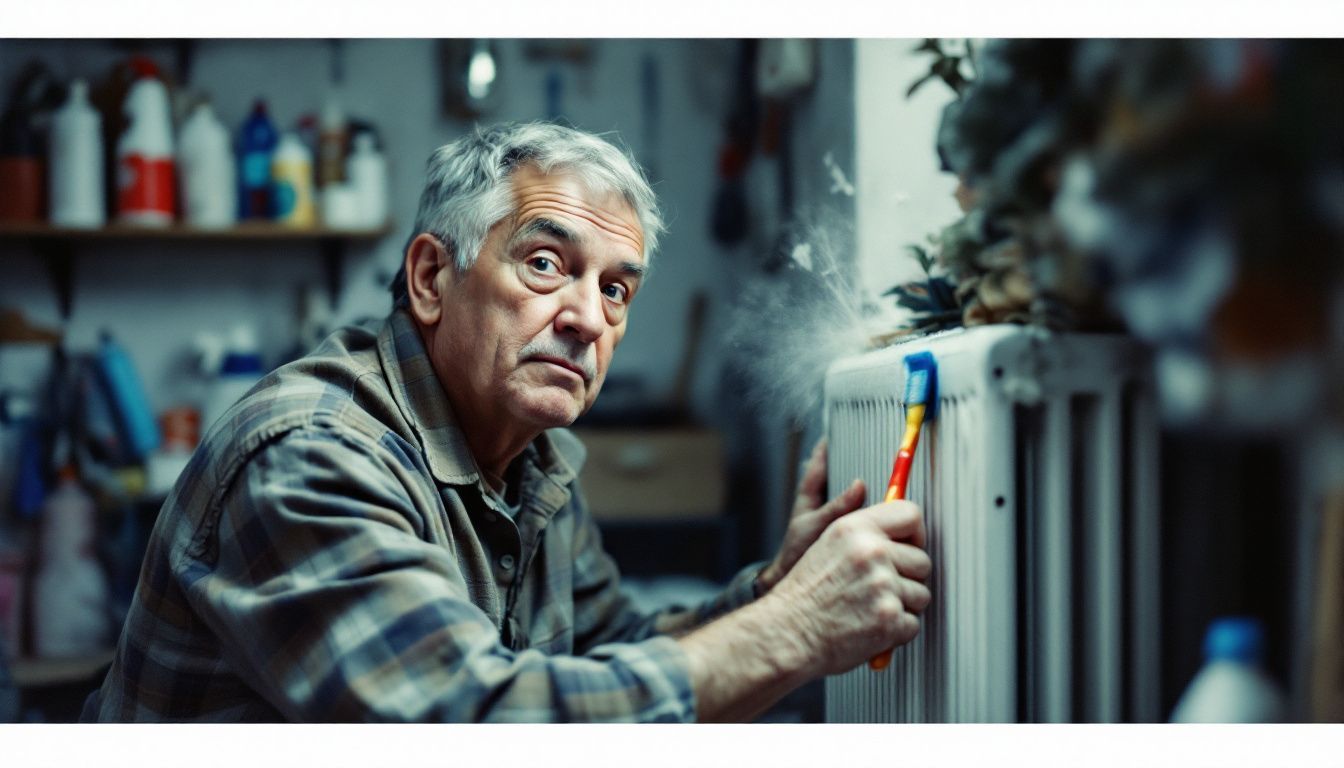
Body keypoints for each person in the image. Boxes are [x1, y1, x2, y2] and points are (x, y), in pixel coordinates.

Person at [84, 122, 931, 722]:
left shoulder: (533, 458)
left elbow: (616, 647)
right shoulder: (310, 454)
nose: (587, 317)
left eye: (615, 289)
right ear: (429, 278)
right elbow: (467, 721)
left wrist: (776, 590)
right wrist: (792, 630)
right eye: (545, 263)